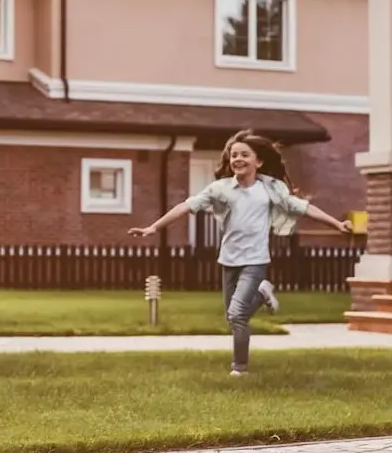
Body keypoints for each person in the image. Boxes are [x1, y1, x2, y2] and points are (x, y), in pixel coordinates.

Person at [129, 130, 352, 376]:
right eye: (234, 155)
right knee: (233, 317)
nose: (238, 159)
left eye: (245, 154)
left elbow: (305, 208)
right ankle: (263, 293)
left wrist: (337, 224)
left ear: (259, 162)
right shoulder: (221, 188)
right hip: (229, 259)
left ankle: (240, 369)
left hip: (255, 260)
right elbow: (185, 206)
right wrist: (153, 227)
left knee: (237, 314)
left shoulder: (270, 189)